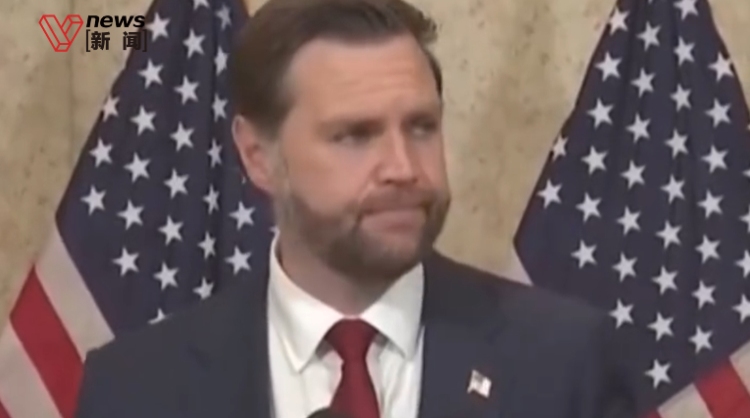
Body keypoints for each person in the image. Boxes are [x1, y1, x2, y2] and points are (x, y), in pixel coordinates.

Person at [74, 0, 641, 417]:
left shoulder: (565, 362)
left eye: (421, 127)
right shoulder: (136, 389)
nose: (403, 167)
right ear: (258, 157)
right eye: (355, 135)